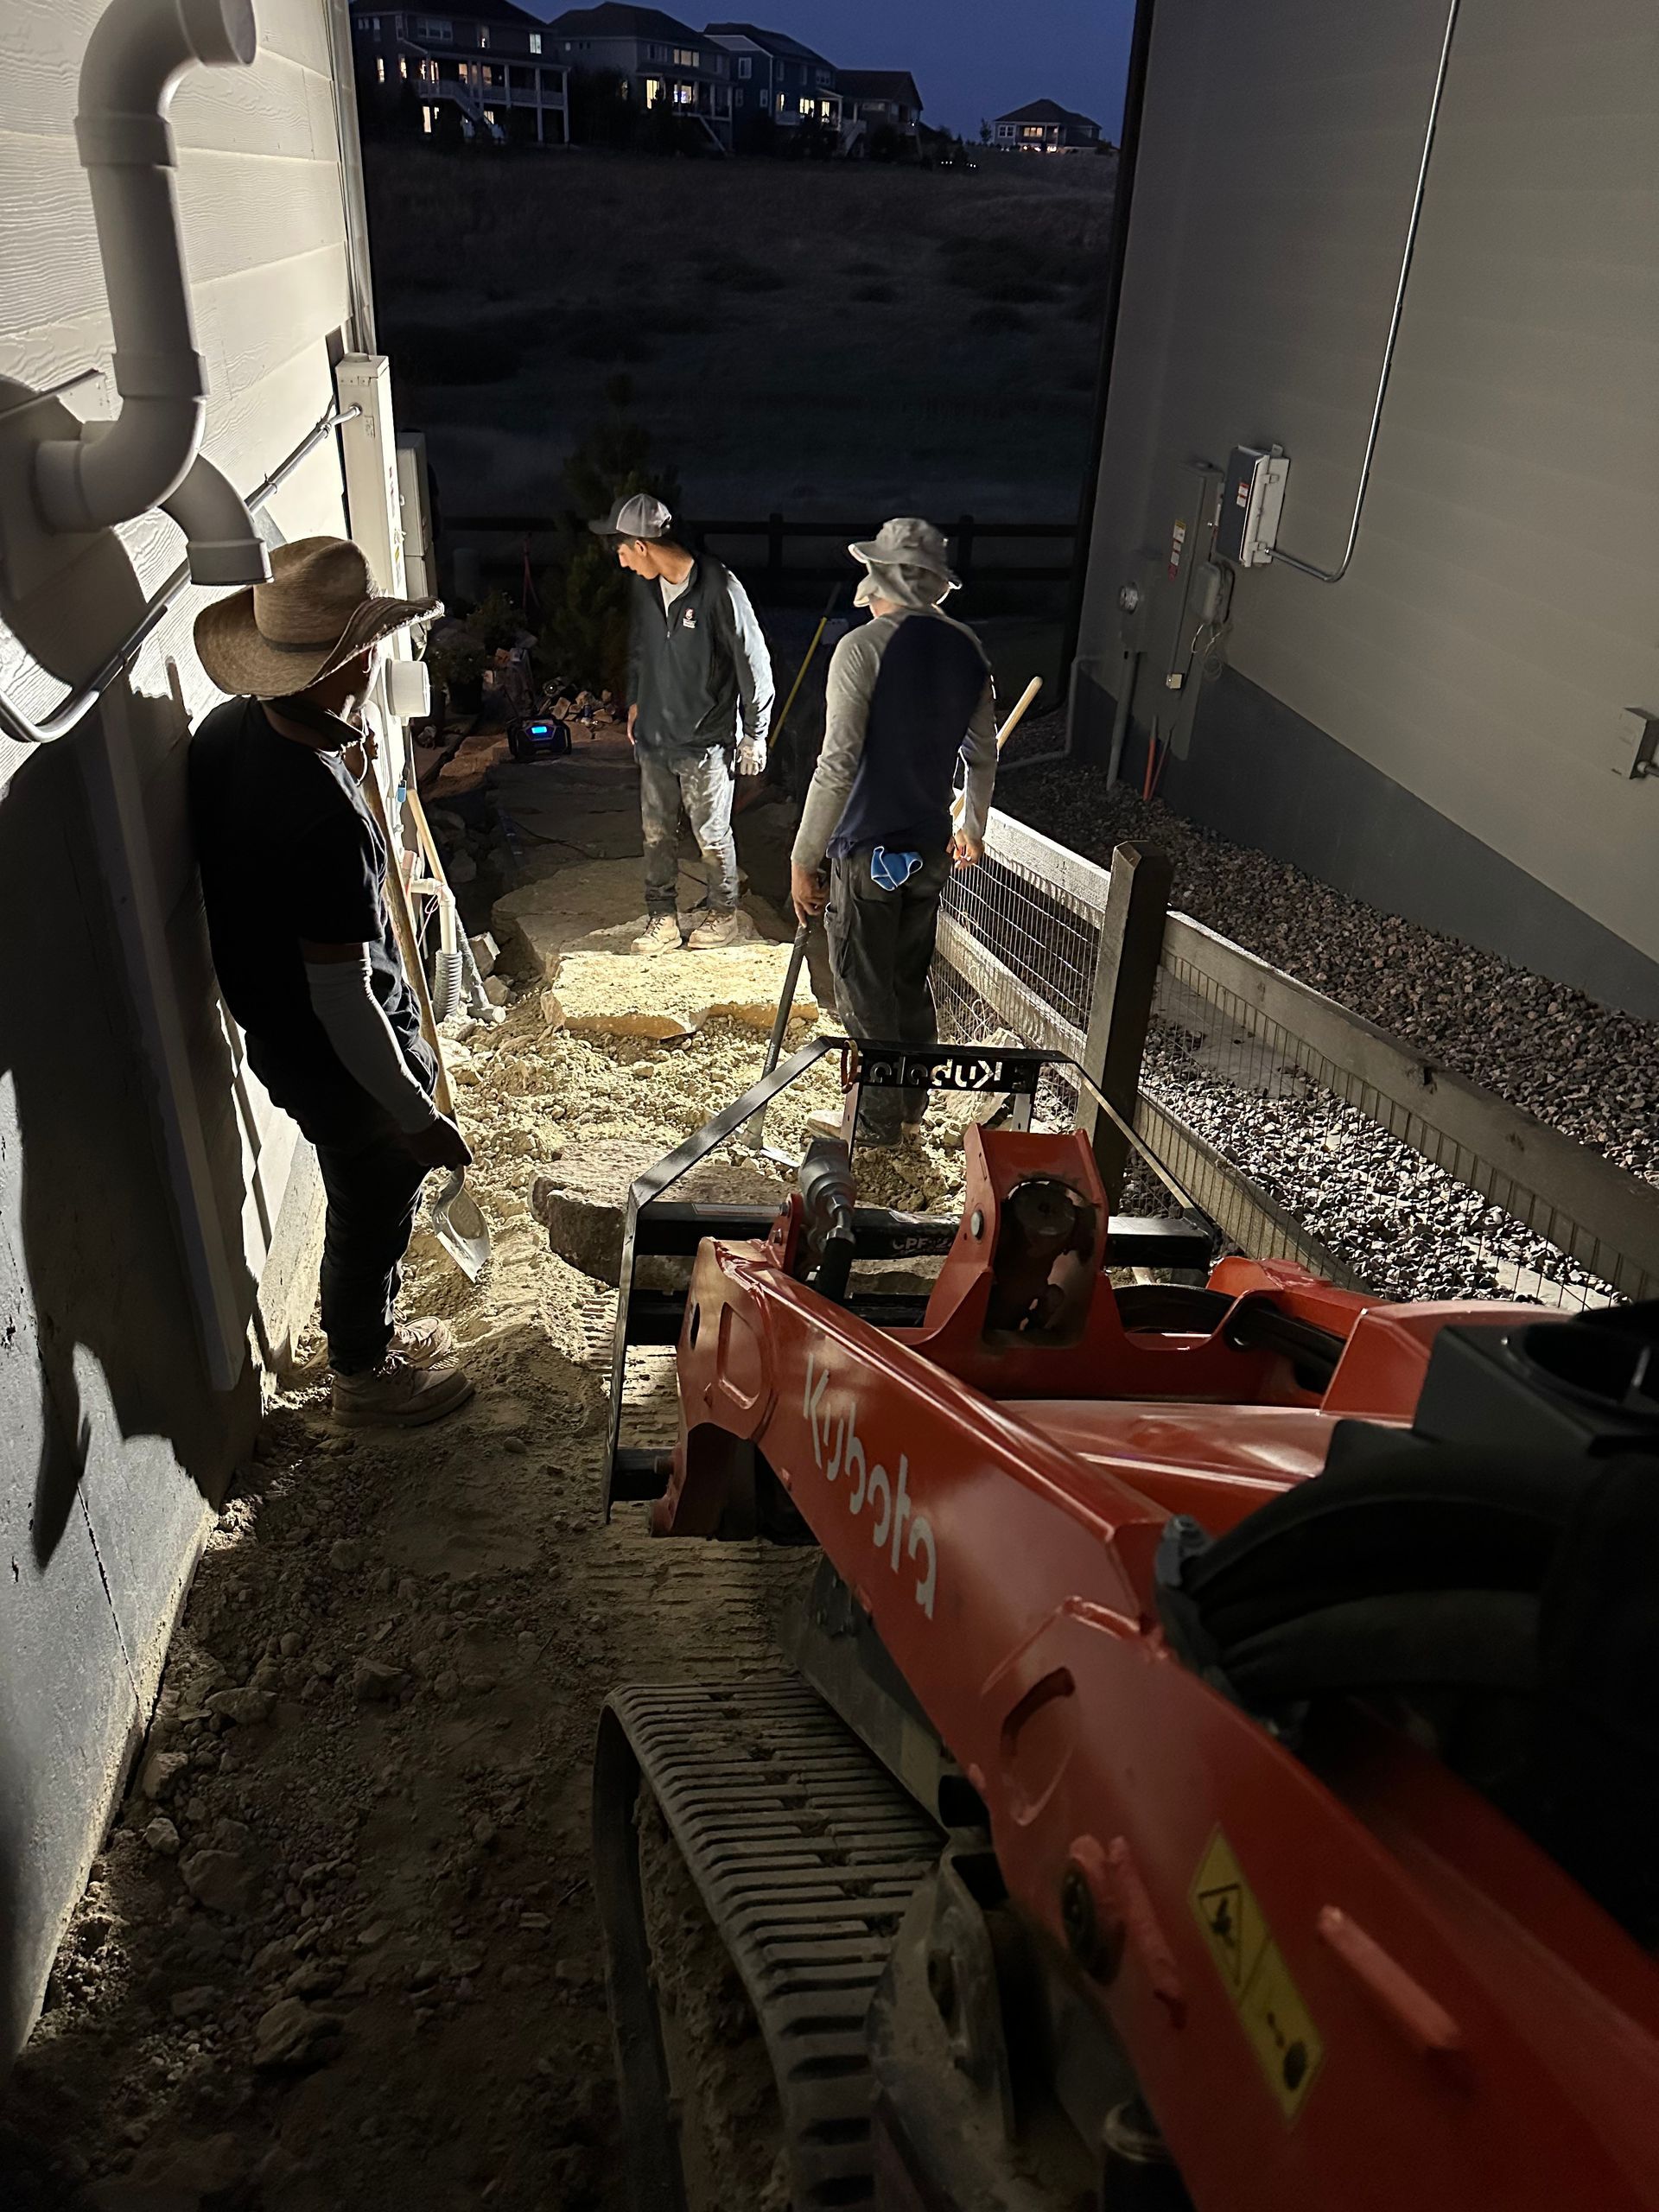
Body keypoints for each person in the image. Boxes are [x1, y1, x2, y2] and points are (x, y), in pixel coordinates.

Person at [189, 537, 475, 1428]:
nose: (372, 664)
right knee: (376, 1194)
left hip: (278, 1029)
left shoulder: (227, 732)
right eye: (363, 651)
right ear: (340, 665)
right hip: (335, 1054)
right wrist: (413, 1113)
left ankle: (367, 1334)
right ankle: (362, 1373)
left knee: (366, 1189)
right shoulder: (316, 818)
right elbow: (344, 997)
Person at [791, 518, 998, 1146]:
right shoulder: (968, 649)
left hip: (866, 845)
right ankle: (911, 1110)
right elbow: (983, 755)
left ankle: (875, 1127)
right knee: (909, 978)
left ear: (878, 579)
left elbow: (839, 762)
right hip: (929, 845)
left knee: (864, 985)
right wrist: (975, 826)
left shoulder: (862, 649)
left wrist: (804, 854)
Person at [590, 493, 774, 952]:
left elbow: (754, 663)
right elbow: (641, 648)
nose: (621, 561)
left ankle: (723, 913)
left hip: (706, 739)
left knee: (712, 835)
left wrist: (755, 733)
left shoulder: (719, 589)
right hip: (654, 736)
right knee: (655, 833)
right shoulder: (646, 588)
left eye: (622, 549)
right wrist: (635, 700)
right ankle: (662, 918)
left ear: (643, 544)